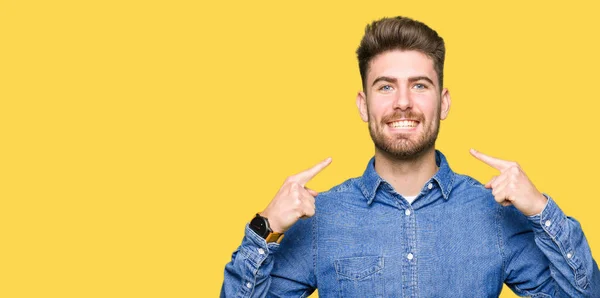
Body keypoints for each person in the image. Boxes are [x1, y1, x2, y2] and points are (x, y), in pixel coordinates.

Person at [220, 16, 600, 297]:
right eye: (385, 87)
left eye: (419, 85)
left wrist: (540, 209)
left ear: (444, 102)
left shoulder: (493, 212)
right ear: (363, 105)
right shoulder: (325, 217)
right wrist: (265, 225)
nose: (403, 102)